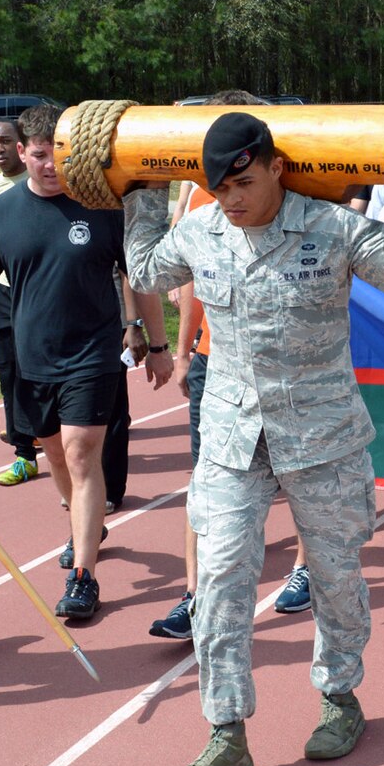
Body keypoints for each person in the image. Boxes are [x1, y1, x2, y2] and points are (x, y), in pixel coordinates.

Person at [124, 112, 384, 766]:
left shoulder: (330, 228)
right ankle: (226, 734)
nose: (232, 199)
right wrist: (138, 187)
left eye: (243, 183)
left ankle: (339, 697)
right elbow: (147, 267)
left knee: (334, 578)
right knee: (216, 583)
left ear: (275, 167)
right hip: (232, 436)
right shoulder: (204, 229)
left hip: (322, 434)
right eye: (219, 188)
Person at [0, 104, 173, 623]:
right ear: (22, 153)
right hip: (32, 359)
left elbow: (139, 279)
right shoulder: (1, 213)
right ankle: (89, 524)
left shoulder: (103, 208)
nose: (50, 165)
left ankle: (83, 577)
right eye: (39, 155)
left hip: (92, 355)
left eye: (59, 153)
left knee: (81, 456)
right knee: (55, 457)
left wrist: (159, 345)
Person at [149, 93, 315, 641]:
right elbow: (186, 274)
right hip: (216, 367)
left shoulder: (290, 194)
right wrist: (181, 351)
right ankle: (195, 595)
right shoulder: (198, 193)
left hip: (289, 369)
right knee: (205, 483)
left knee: (299, 482)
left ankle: (303, 569)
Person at [0, 119, 41, 486]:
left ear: (21, 145)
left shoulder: (45, 182)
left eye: (6, 141)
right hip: (6, 291)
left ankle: (54, 432)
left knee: (44, 370)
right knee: (10, 372)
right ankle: (24, 453)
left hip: (42, 292)